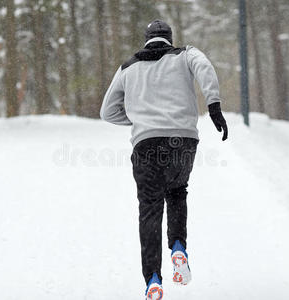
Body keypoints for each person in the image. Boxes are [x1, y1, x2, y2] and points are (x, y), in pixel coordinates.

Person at [100, 19, 228, 300]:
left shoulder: (128, 67)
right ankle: (179, 248)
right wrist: (214, 104)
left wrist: (140, 120)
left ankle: (153, 281)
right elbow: (204, 66)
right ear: (169, 38)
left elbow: (107, 112)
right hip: (183, 141)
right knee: (177, 192)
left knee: (149, 210)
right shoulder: (185, 54)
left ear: (146, 39)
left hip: (147, 145)